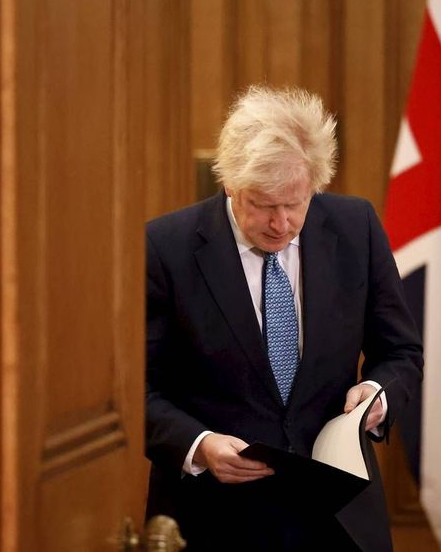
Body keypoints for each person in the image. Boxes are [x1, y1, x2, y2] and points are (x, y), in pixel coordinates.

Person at [144, 86, 423, 551]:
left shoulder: (356, 228)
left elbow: (401, 352)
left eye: (295, 203)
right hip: (216, 517)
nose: (281, 223)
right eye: (263, 205)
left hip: (338, 516)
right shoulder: (167, 247)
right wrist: (199, 445)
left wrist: (378, 395)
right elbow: (140, 388)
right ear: (230, 184)